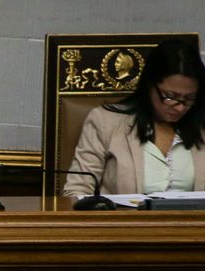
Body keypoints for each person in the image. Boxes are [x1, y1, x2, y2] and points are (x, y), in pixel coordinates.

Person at [63, 39, 205, 198]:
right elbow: (76, 191)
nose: (180, 107)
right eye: (170, 97)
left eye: (189, 98)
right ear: (149, 85)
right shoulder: (105, 122)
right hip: (124, 221)